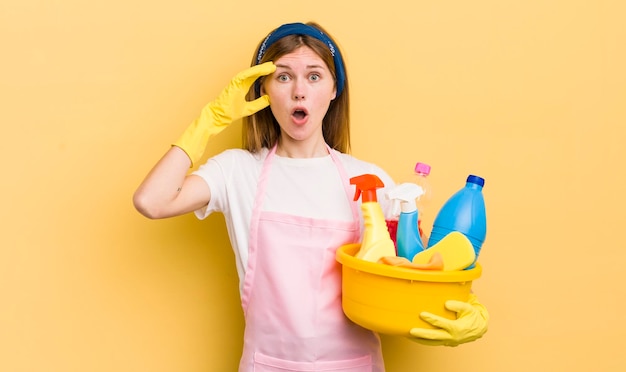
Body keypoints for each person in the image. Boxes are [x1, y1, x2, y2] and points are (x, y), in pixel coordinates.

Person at [133, 21, 488, 372]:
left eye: (314, 76)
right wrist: (209, 121)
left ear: (335, 90)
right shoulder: (237, 172)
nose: (299, 92)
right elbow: (152, 201)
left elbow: (413, 273)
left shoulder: (371, 180)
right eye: (283, 76)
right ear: (263, 90)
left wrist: (466, 308)